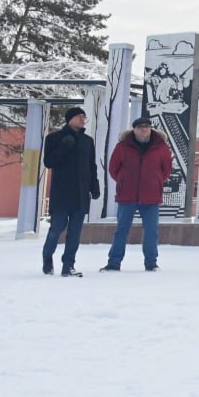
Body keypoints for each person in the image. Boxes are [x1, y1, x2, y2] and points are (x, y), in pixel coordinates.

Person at [102, 116, 173, 272]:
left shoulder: (161, 147)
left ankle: (151, 263)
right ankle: (114, 262)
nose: (144, 129)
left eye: (147, 126)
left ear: (151, 129)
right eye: (140, 127)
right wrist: (123, 181)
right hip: (127, 195)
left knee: (151, 231)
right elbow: (114, 168)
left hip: (151, 196)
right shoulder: (122, 146)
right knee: (121, 229)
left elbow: (166, 169)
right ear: (134, 129)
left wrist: (157, 181)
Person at [41, 106, 100, 277]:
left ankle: (68, 265)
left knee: (75, 232)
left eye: (84, 117)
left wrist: (94, 186)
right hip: (61, 193)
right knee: (57, 228)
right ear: (70, 119)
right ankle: (47, 257)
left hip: (81, 193)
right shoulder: (54, 138)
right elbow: (49, 162)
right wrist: (63, 147)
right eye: (79, 116)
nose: (83, 119)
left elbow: (92, 166)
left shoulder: (88, 141)